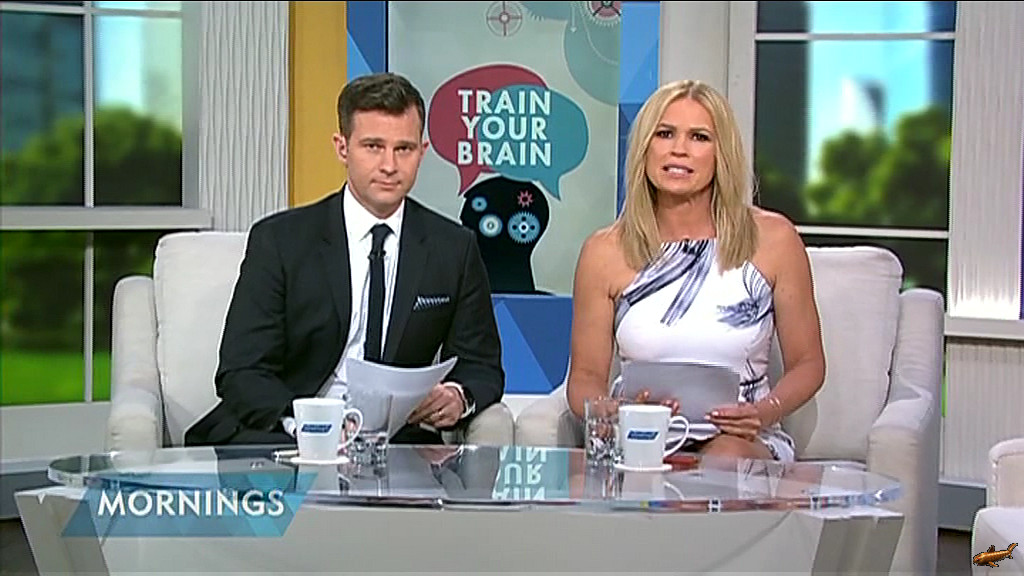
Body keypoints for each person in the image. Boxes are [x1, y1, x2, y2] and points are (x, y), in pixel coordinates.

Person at [185, 72, 504, 446]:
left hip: (392, 442)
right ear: (342, 148)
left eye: (403, 149)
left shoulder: (453, 247)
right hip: (285, 434)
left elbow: (482, 365)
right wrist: (309, 425)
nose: (389, 165)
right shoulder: (281, 241)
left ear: (423, 151)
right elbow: (241, 371)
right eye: (373, 146)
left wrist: (458, 396)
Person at [565, 79, 825, 461]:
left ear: (722, 154)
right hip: (640, 437)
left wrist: (765, 412)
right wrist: (610, 411)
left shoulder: (774, 240)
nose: (679, 149)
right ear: (645, 148)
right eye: (665, 134)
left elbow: (809, 363)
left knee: (723, 461)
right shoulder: (604, 252)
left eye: (699, 137)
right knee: (642, 462)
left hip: (742, 440)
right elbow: (584, 377)